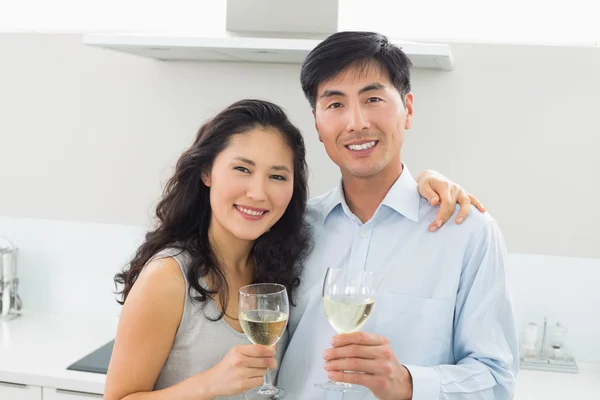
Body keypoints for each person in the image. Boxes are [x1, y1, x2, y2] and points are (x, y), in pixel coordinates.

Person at [103, 104, 481, 397]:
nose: (258, 192)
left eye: (277, 176)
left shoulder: (279, 261)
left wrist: (427, 181)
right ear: (207, 173)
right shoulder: (167, 278)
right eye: (242, 169)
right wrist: (210, 384)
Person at [276, 31, 519, 400]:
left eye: (373, 98)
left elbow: (497, 380)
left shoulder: (467, 233)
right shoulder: (291, 227)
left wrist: (407, 383)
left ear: (408, 108)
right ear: (317, 122)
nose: (355, 122)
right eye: (335, 104)